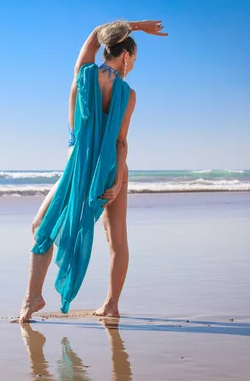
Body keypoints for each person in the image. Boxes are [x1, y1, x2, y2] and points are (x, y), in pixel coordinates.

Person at [19, 20, 168, 323]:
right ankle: (111, 304)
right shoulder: (128, 94)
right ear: (125, 56)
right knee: (117, 240)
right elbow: (121, 142)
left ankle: (32, 297)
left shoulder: (84, 75)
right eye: (134, 60)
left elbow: (95, 35)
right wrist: (115, 181)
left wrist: (135, 26)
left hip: (77, 170)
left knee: (41, 227)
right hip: (110, 172)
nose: (133, 66)